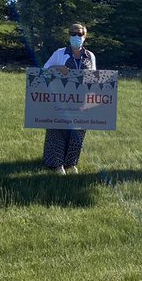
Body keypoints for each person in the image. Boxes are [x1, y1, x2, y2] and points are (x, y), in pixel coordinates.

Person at [41, 22, 96, 174]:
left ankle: (71, 163)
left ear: (84, 36)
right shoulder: (59, 53)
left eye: (79, 34)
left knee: (77, 131)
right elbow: (44, 70)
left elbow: (94, 77)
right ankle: (56, 163)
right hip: (61, 99)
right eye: (73, 33)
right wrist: (57, 69)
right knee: (58, 129)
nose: (76, 36)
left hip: (81, 100)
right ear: (69, 35)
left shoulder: (90, 56)